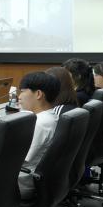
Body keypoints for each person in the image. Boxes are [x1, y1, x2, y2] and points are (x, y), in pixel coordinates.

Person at [17, 71, 63, 199]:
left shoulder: (40, 123)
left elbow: (21, 159)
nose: (19, 97)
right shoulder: (51, 116)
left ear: (38, 94)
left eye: (23, 92)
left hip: (22, 181)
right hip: (37, 177)